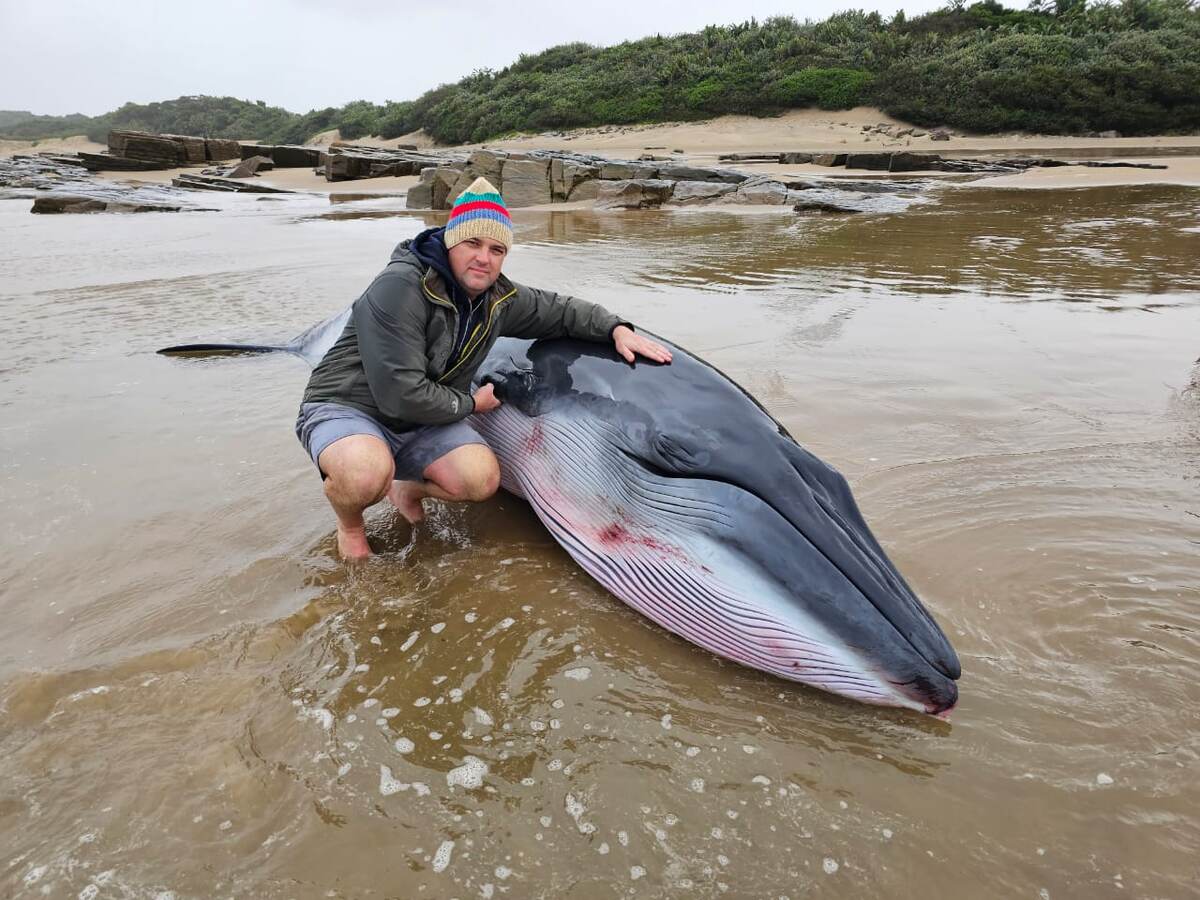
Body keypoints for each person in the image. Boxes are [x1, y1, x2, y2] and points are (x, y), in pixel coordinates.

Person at [296, 177, 672, 559]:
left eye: (496, 249)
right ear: (450, 241)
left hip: (420, 419)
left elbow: (559, 310)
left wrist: (615, 328)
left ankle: (405, 487)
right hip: (351, 405)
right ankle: (351, 526)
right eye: (472, 243)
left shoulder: (496, 299)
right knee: (364, 474)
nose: (483, 258)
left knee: (481, 478)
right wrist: (472, 405)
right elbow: (400, 394)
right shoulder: (400, 287)